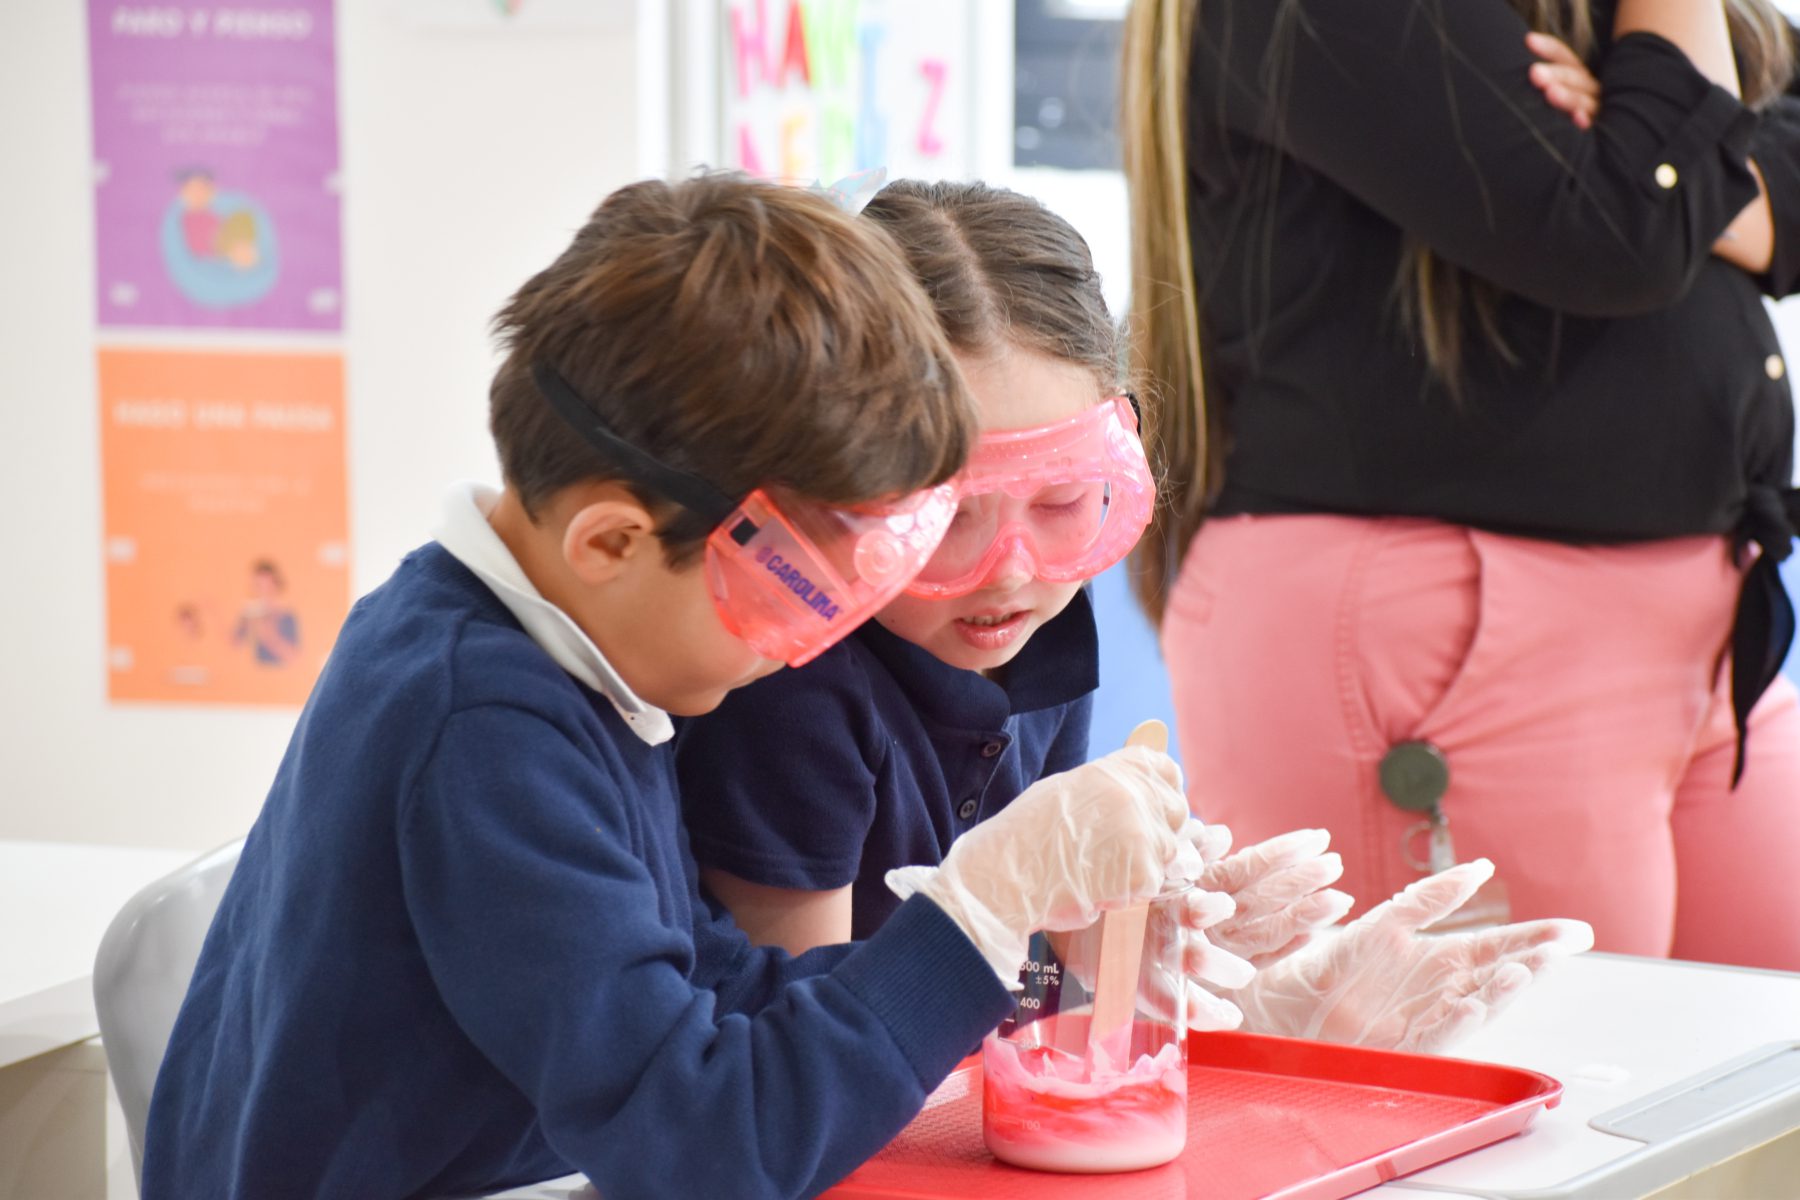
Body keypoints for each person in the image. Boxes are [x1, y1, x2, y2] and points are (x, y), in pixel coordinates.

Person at [141, 173, 1221, 1200]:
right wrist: (984, 912)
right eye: (784, 594)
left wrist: (1061, 967)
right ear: (611, 540)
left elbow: (710, 1006)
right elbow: (703, 1148)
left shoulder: (569, 659)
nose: (805, 647)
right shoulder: (482, 725)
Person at [678, 179, 1592, 1052]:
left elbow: (1031, 979)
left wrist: (1180, 997)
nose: (1015, 572)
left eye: (1065, 501)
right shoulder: (792, 689)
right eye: (952, 517)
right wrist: (1074, 983)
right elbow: (806, 1045)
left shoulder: (1042, 645)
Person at [1121, 0, 1800, 969]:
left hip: (1702, 629)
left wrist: (1670, 147)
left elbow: (1649, 195)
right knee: (1532, 1092)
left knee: (1759, 1085)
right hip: (1450, 627)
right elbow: (1621, 228)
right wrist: (1677, 148)